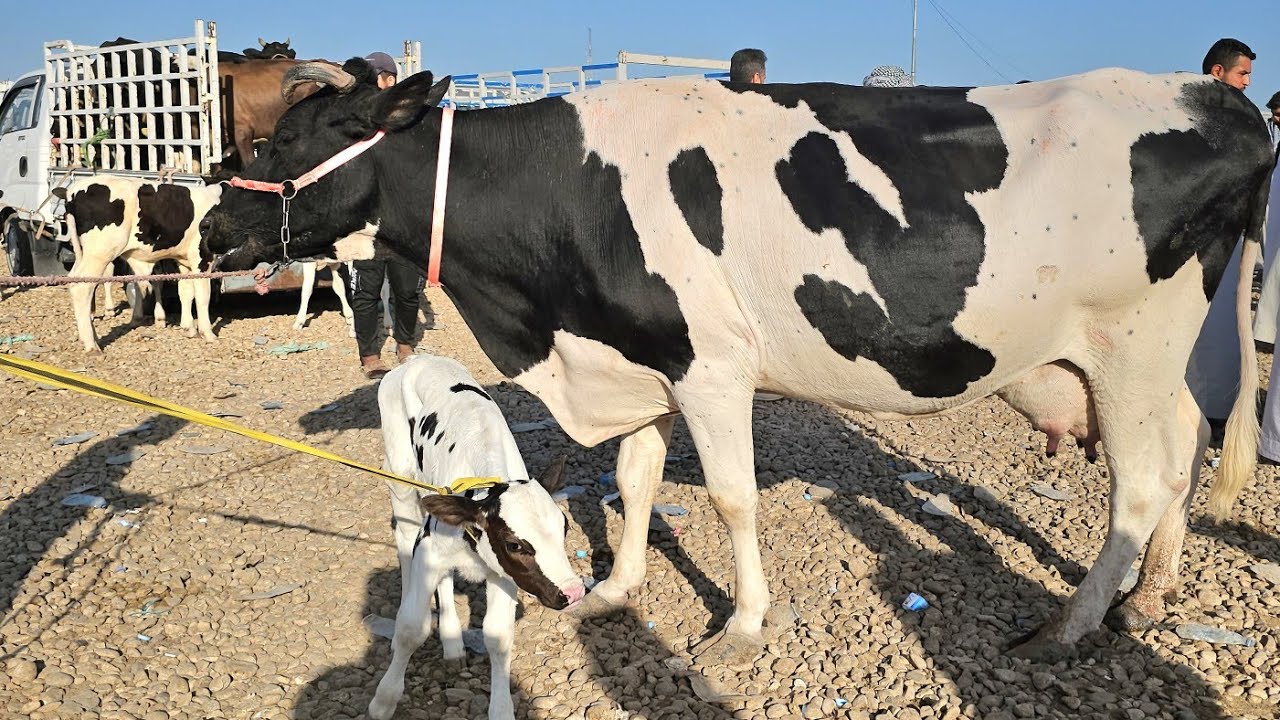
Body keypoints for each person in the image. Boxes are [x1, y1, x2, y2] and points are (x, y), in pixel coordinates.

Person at [1185, 38, 1257, 439]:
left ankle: (1216, 405)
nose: (1247, 82)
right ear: (1218, 72)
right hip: (1197, 236)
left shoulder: (1240, 117)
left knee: (1225, 320)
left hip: (1230, 235)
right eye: (1242, 73)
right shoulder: (1190, 113)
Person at [351, 52, 428, 379]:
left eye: (374, 77)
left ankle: (405, 344)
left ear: (389, 79)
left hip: (403, 222)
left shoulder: (406, 119)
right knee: (366, 292)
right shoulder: (358, 119)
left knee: (407, 290)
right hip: (367, 221)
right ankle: (369, 355)